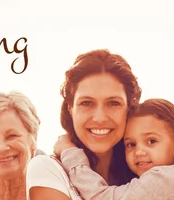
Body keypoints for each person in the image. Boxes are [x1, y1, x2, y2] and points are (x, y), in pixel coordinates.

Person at [25, 49, 143, 200]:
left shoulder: (149, 171)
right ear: (70, 108)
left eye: (113, 103)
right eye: (86, 103)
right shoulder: (47, 170)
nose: (99, 118)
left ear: (129, 109)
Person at [54, 98, 174, 200]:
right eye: (131, 144)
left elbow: (100, 197)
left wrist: (71, 153)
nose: (139, 152)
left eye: (151, 141)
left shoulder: (167, 179)